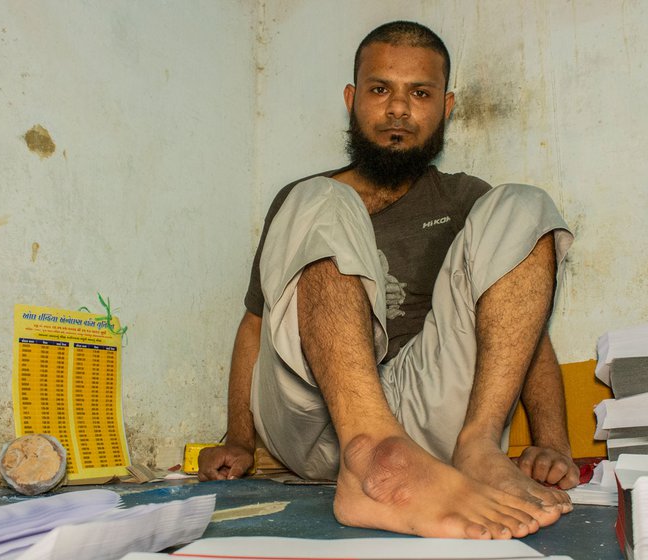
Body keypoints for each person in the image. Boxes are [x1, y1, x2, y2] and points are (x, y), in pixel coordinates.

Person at [199, 20, 580, 540]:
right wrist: (239, 439)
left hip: (429, 422)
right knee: (317, 196)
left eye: (419, 93)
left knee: (524, 204)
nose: (398, 109)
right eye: (380, 90)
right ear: (353, 100)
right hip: (312, 416)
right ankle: (372, 453)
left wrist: (553, 443)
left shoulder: (465, 199)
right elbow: (255, 327)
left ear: (445, 108)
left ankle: (478, 449)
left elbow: (522, 333)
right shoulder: (307, 205)